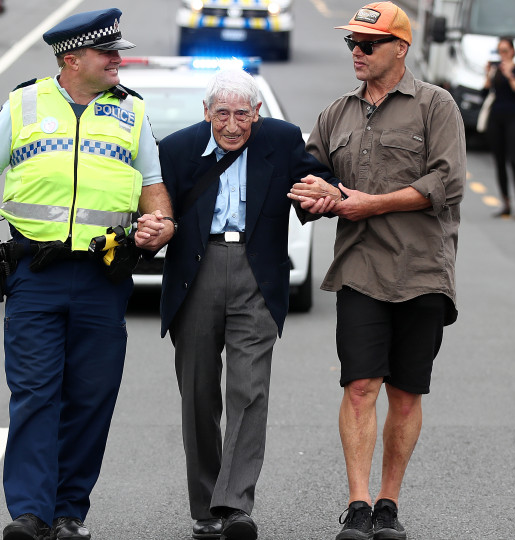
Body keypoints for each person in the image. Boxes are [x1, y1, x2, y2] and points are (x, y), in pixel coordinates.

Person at [0, 8, 174, 540]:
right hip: (36, 272)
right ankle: (29, 513)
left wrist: (161, 226)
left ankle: (68, 512)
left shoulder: (132, 113)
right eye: (109, 53)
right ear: (72, 59)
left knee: (91, 396)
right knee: (34, 391)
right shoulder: (23, 103)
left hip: (103, 276)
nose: (118, 60)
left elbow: (155, 191)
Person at [287, 3, 465, 539]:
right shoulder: (336, 114)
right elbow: (307, 175)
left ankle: (389, 502)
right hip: (360, 270)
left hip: (421, 272)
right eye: (352, 44)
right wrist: (314, 191)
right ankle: (359, 504)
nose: (356, 53)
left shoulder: (437, 106)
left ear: (400, 49)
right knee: (361, 385)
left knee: (406, 393)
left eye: (367, 44)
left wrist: (371, 204)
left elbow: (446, 183)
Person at [157, 68, 338, 540]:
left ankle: (235, 504)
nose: (233, 125)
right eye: (222, 114)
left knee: (249, 390)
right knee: (197, 392)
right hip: (197, 272)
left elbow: (315, 181)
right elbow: (154, 208)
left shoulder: (279, 139)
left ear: (257, 113)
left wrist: (323, 193)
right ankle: (205, 508)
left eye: (242, 114)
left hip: (256, 274)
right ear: (206, 113)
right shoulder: (177, 149)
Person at [483, 36, 515, 218]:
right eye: (499, 51)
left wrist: (510, 75)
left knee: (514, 160)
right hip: (496, 118)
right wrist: (488, 76)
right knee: (499, 161)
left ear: (512, 51)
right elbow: (484, 92)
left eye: (505, 50)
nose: (502, 54)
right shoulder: (495, 70)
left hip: (514, 118)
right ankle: (506, 202)